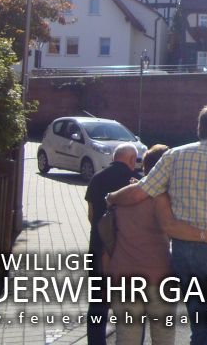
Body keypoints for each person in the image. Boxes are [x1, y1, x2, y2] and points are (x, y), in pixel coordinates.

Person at [106, 105, 207, 345]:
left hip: (183, 253)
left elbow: (140, 192)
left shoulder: (175, 155)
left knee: (199, 324)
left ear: (199, 128)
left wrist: (112, 197)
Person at [107, 145, 207, 345]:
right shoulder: (165, 200)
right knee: (163, 338)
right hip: (159, 278)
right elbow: (174, 227)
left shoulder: (124, 196)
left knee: (126, 338)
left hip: (124, 276)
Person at [85, 144, 141, 345]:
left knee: (98, 302)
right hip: (126, 251)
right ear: (132, 159)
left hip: (98, 248)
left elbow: (91, 215)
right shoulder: (135, 182)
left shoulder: (97, 178)